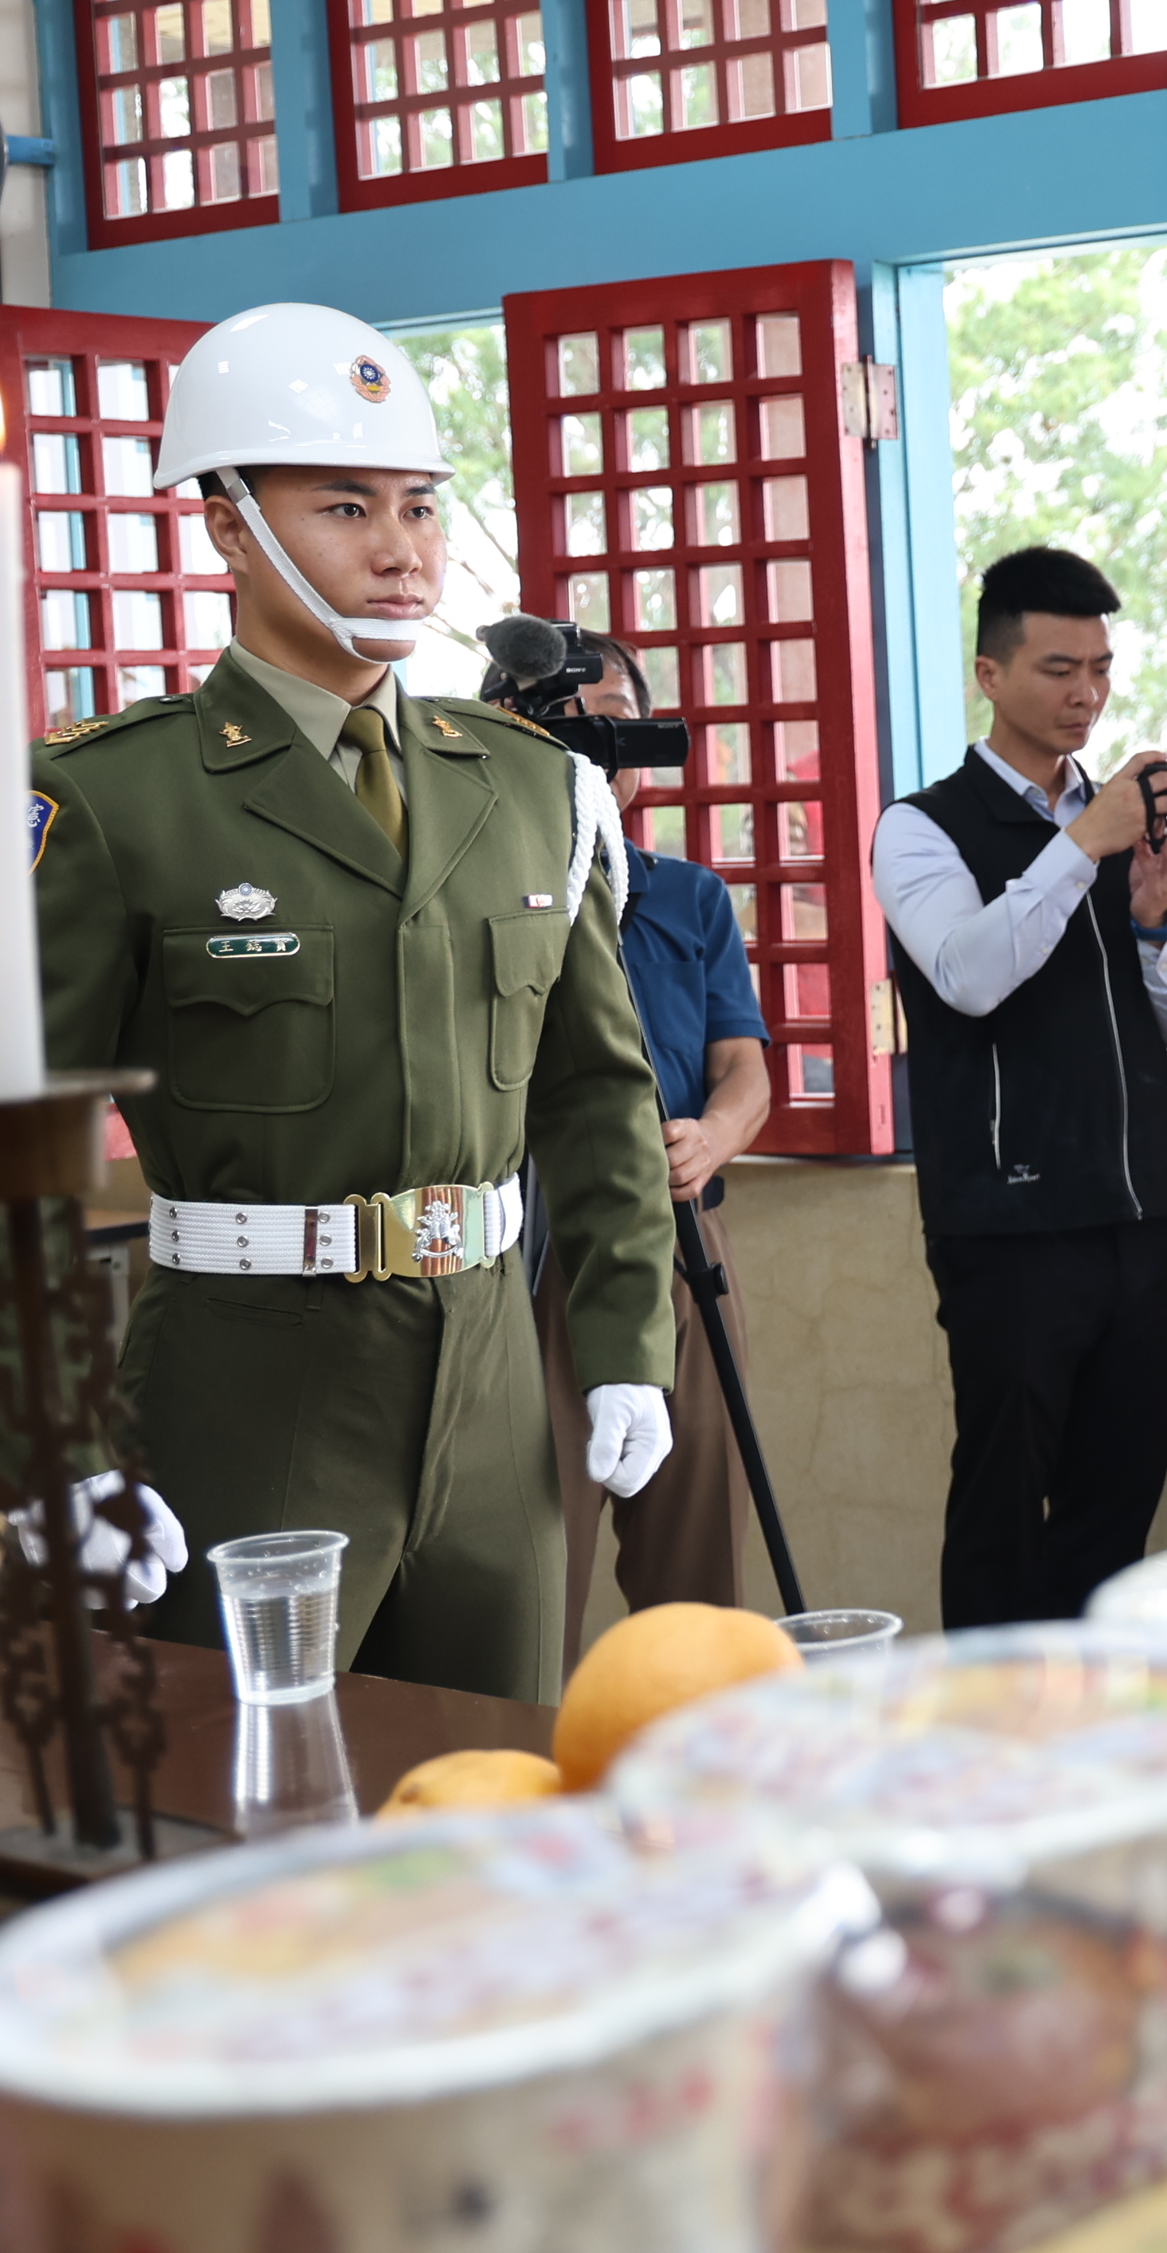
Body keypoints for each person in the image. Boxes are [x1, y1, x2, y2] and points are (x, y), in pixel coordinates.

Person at [0, 302, 675, 1704]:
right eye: (344, 506)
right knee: (254, 1826)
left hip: (495, 1379)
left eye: (420, 506)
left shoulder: (524, 785)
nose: (403, 550)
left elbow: (594, 1091)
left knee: (489, 1803)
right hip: (251, 1383)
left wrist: (627, 1338)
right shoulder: (113, 795)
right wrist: (47, 1444)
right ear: (228, 524)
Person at [872, 545, 1167, 1628]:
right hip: (1010, 1227)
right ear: (989, 675)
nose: (1086, 695)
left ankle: (1093, 1737)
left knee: (1116, 1511)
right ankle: (988, 1751)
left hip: (1139, 1217)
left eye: (1102, 670)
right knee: (1000, 1511)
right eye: (1058, 667)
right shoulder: (922, 827)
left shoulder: (1122, 824)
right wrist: (1082, 847)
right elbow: (970, 977)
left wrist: (1158, 914)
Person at [501, 636, 772, 1674]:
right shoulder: (488, 893)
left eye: (615, 717)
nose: (595, 742)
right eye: (566, 719)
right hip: (535, 1245)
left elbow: (745, 1067)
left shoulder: (688, 895)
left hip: (682, 1245)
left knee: (695, 1566)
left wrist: (713, 1136)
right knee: (541, 1563)